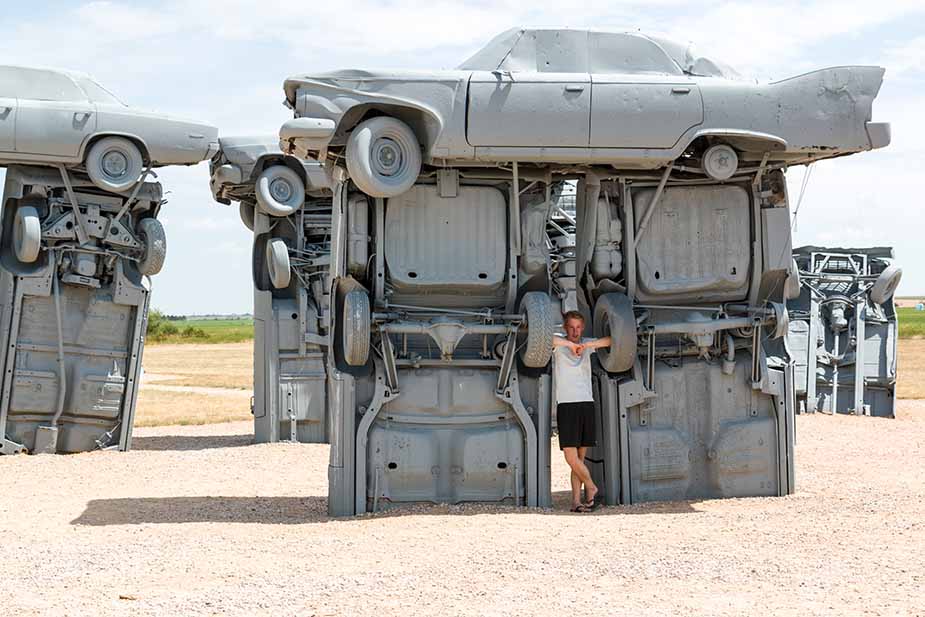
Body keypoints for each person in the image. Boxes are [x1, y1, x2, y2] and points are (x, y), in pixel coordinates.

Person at [552, 310, 611, 513]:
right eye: (571, 327)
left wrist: (587, 346)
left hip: (586, 403)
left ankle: (576, 502)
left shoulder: (586, 344)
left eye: (578, 327)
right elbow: (546, 339)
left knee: (579, 459)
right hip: (566, 405)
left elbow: (610, 340)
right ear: (565, 328)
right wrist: (570, 344)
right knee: (571, 457)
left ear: (582, 328)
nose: (575, 332)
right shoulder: (559, 345)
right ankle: (592, 486)